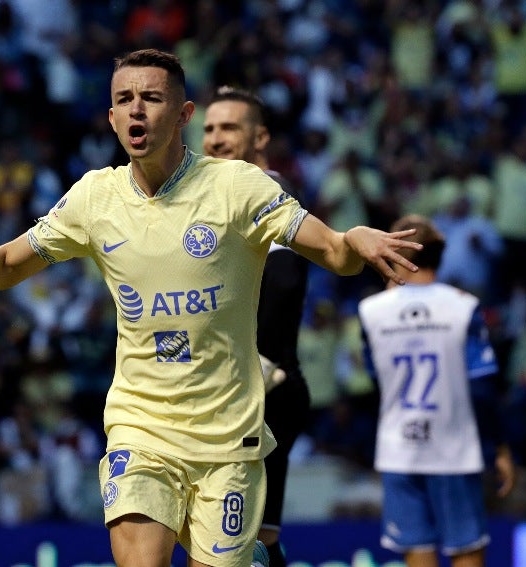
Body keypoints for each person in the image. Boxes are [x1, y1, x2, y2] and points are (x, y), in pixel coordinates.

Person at [0, 49, 421, 567]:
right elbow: (5, 265)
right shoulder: (94, 198)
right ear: (112, 118)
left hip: (228, 437)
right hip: (141, 427)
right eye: (125, 99)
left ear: (184, 114)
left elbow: (331, 250)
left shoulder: (238, 187)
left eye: (153, 98)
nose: (137, 108)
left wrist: (356, 242)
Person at [358, 214, 515, 567]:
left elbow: (375, 378)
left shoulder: (371, 312)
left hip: (399, 449)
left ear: (393, 253)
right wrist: (499, 448)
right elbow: (483, 388)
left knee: (418, 549)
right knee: (467, 548)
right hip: (454, 448)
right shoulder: (463, 306)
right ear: (441, 256)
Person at [202, 86, 311, 567]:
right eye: (208, 129)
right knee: (255, 542)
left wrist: (259, 364)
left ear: (260, 136)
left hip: (259, 384)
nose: (215, 139)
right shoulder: (216, 192)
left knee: (240, 547)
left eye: (229, 128)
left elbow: (286, 281)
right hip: (237, 385)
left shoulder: (266, 192)